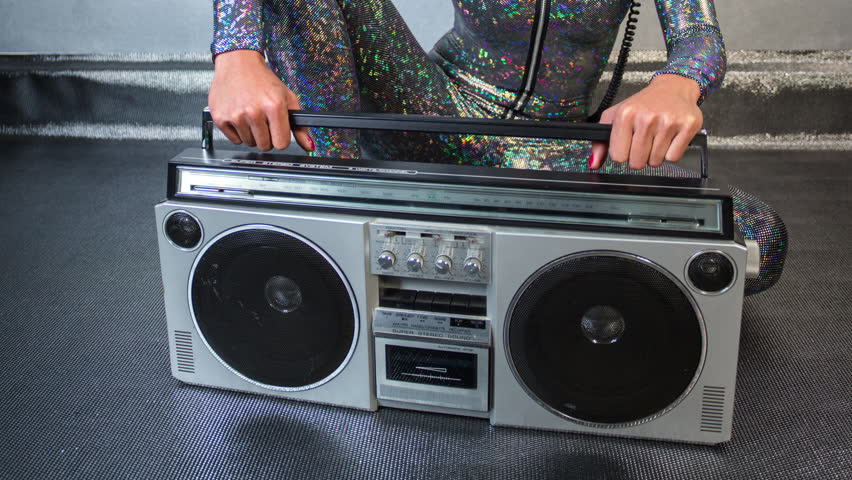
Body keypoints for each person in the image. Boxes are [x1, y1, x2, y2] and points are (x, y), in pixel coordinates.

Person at [206, 0, 786, 294]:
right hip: (431, 112)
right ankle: (341, 227)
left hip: (552, 150)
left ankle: (432, 217)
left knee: (759, 240)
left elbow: (699, 37)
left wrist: (674, 85)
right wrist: (237, 55)